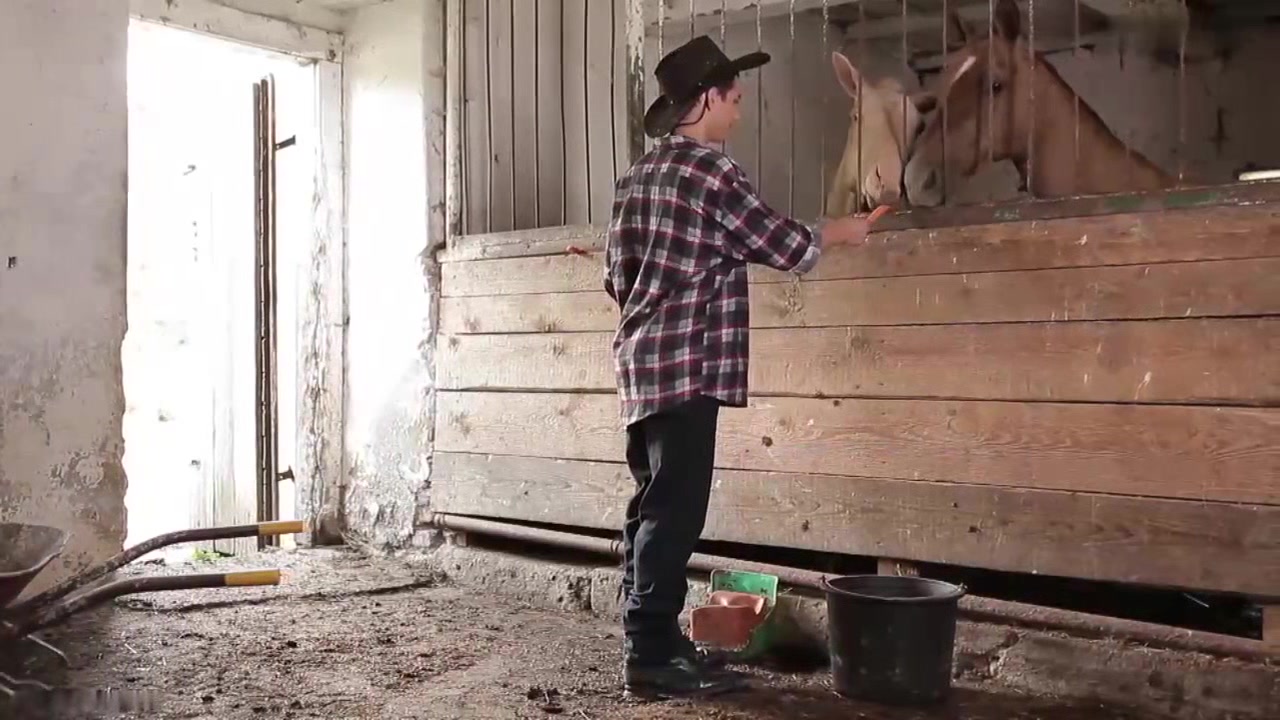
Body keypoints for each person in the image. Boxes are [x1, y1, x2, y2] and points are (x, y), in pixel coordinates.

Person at [603, 35, 886, 700]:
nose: (739, 108)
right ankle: (648, 657)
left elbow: (618, 277)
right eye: (731, 97)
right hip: (689, 369)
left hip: (642, 369)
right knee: (674, 518)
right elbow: (775, 240)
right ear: (704, 100)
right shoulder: (712, 174)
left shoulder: (635, 180)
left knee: (650, 507)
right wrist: (844, 232)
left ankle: (661, 641)